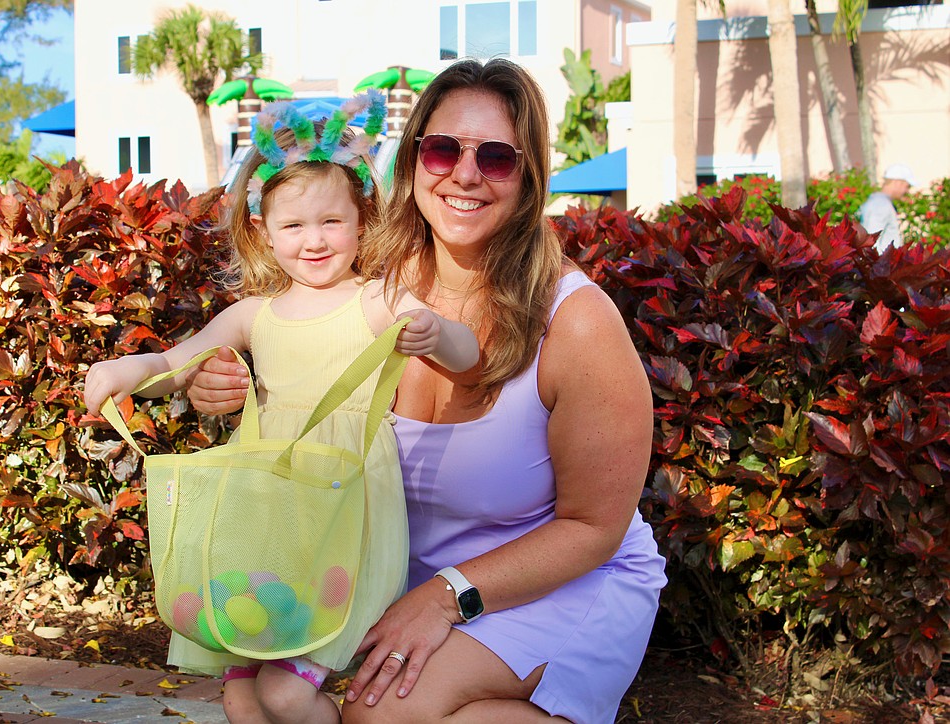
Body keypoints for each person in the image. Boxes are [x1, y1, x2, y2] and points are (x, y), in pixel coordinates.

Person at [186, 58, 667, 723]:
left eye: (496, 158)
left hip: (559, 583)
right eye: (443, 150)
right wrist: (229, 387)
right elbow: (300, 396)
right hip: (399, 577)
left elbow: (593, 529)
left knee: (382, 714)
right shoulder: (370, 286)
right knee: (257, 694)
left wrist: (446, 596)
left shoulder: (576, 321)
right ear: (413, 162)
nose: (465, 174)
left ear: (529, 179)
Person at [84, 93, 479, 724]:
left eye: (332, 222)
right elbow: (172, 364)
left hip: (345, 519)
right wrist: (123, 371)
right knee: (242, 692)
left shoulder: (375, 300)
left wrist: (435, 334)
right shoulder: (254, 315)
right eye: (293, 226)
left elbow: (466, 352)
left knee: (288, 691)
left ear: (361, 222)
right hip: (266, 522)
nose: (315, 240)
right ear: (263, 231)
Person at [859, 162, 916, 253]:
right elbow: (871, 239)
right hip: (881, 264)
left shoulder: (880, 202)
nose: (907, 191)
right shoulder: (880, 204)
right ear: (897, 182)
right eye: (907, 186)